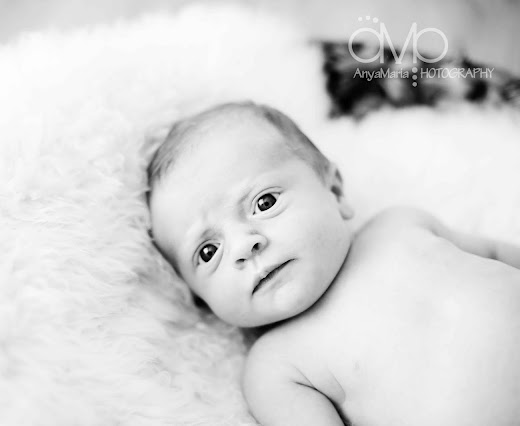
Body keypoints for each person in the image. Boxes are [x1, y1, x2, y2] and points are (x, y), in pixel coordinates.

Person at [147, 101, 520, 426]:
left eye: (264, 203)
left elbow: (493, 252)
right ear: (201, 299)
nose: (245, 246)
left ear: (335, 191)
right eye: (208, 252)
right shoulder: (275, 368)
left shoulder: (399, 225)